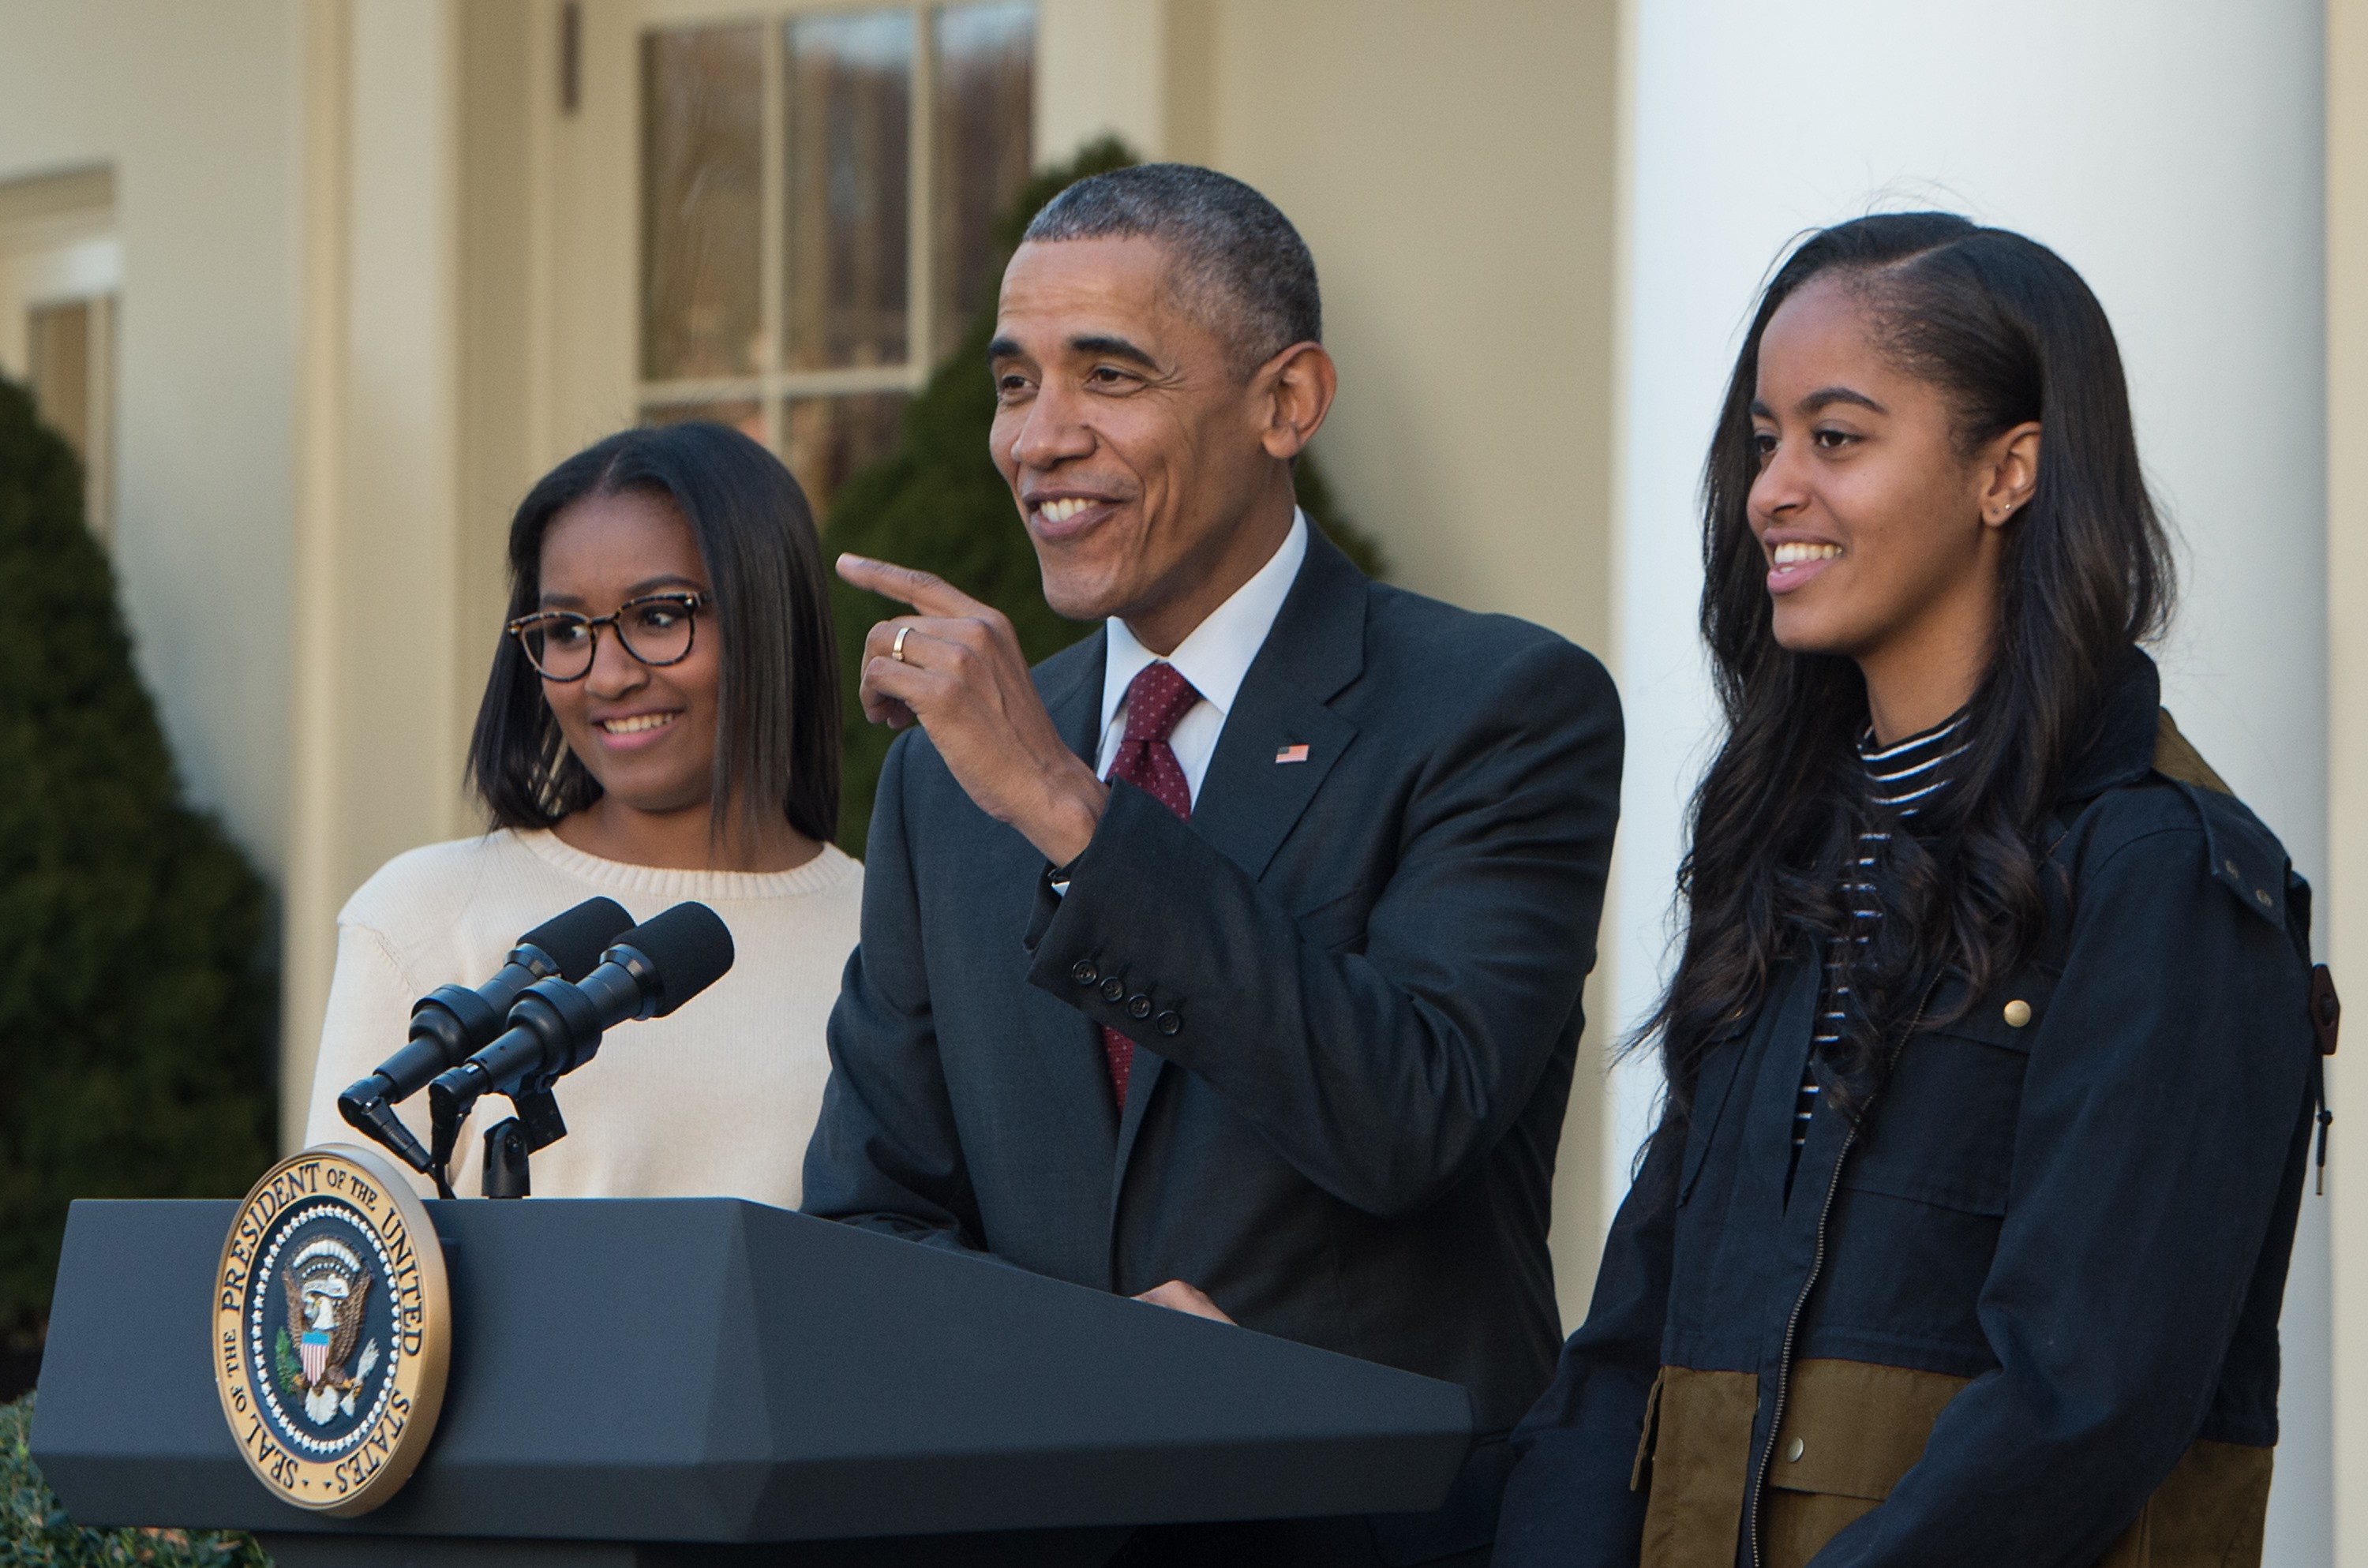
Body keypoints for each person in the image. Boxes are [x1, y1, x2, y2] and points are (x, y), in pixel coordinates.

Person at [800, 163, 1623, 1565]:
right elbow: (872, 1216)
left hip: (1375, 1533)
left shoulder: (1499, 707)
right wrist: (1083, 1373)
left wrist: (1072, 811)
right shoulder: (948, 776)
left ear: (1287, 402)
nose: (1037, 440)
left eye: (1107, 376)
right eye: (1013, 383)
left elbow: (1411, 1114)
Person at [1496, 213, 2328, 1568]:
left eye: (1836, 437)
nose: (1771, 488)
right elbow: (1636, 1335)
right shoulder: (1782, 845)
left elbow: (2087, 1398)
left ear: (2010, 471)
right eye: (1765, 440)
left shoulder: (2164, 871)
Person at [303, 422, 862, 1206]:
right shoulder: (424, 914)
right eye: (566, 630)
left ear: (769, 616)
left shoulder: (890, 940)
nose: (607, 676)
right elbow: (336, 1276)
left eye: (660, 616)